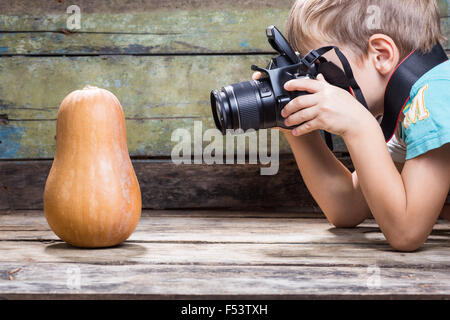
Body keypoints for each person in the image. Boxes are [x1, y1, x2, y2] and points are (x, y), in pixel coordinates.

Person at [253, 0, 450, 251]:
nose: (319, 85)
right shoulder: (410, 106)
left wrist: (361, 127)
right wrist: (292, 122)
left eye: (322, 69)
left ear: (381, 54)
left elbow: (406, 232)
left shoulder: (436, 96)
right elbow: (346, 207)